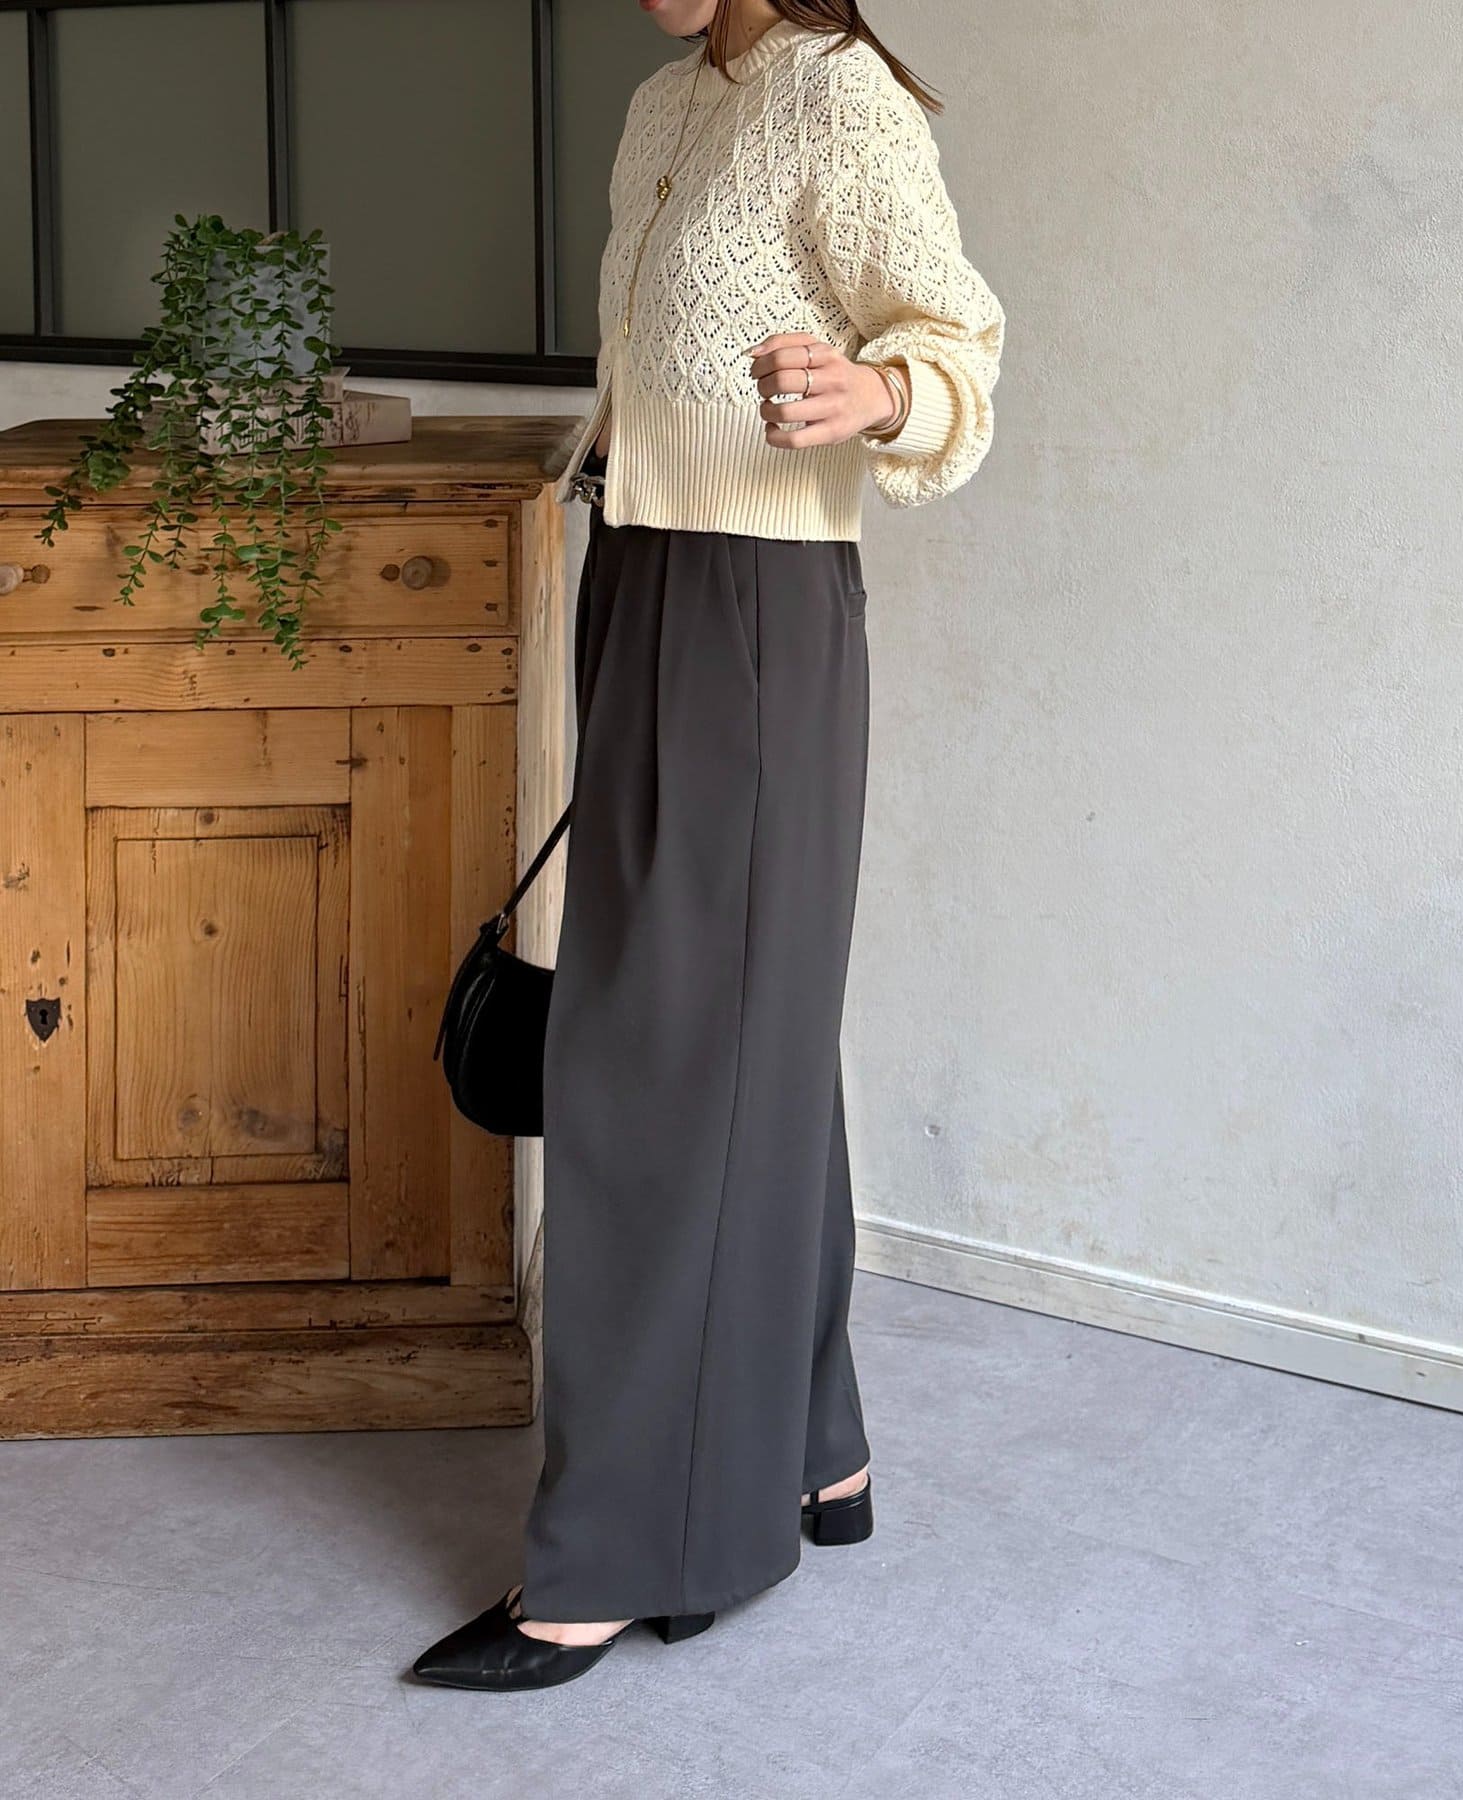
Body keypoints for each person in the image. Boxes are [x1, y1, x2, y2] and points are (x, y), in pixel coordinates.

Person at [412, 0, 1003, 1693]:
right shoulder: (667, 103)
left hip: (754, 601)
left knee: (660, 1058)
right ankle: (817, 1446)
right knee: (746, 1031)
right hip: (647, 574)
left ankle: (622, 1551)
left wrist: (879, 390)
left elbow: (957, 342)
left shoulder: (843, 98)